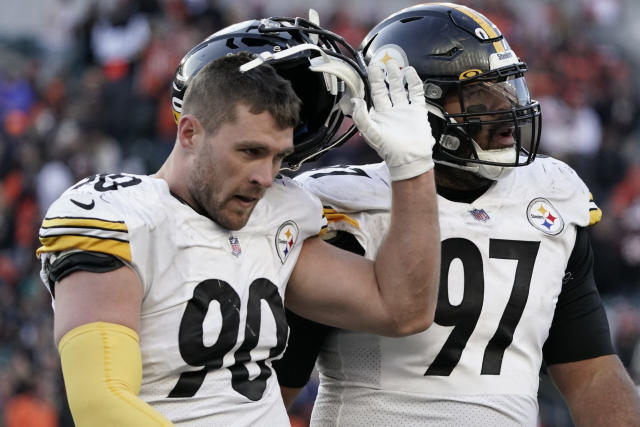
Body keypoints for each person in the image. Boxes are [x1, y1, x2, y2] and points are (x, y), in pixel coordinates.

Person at [35, 16, 441, 427]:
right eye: (250, 151)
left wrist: (412, 166)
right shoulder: (119, 214)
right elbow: (102, 403)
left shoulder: (277, 215)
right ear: (190, 134)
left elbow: (402, 309)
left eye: (278, 157)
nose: (266, 177)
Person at [274, 4, 640, 426]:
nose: (506, 111)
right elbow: (276, 390)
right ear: (414, 104)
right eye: (479, 96)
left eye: (508, 88)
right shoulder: (348, 206)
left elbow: (591, 371)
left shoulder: (550, 195)